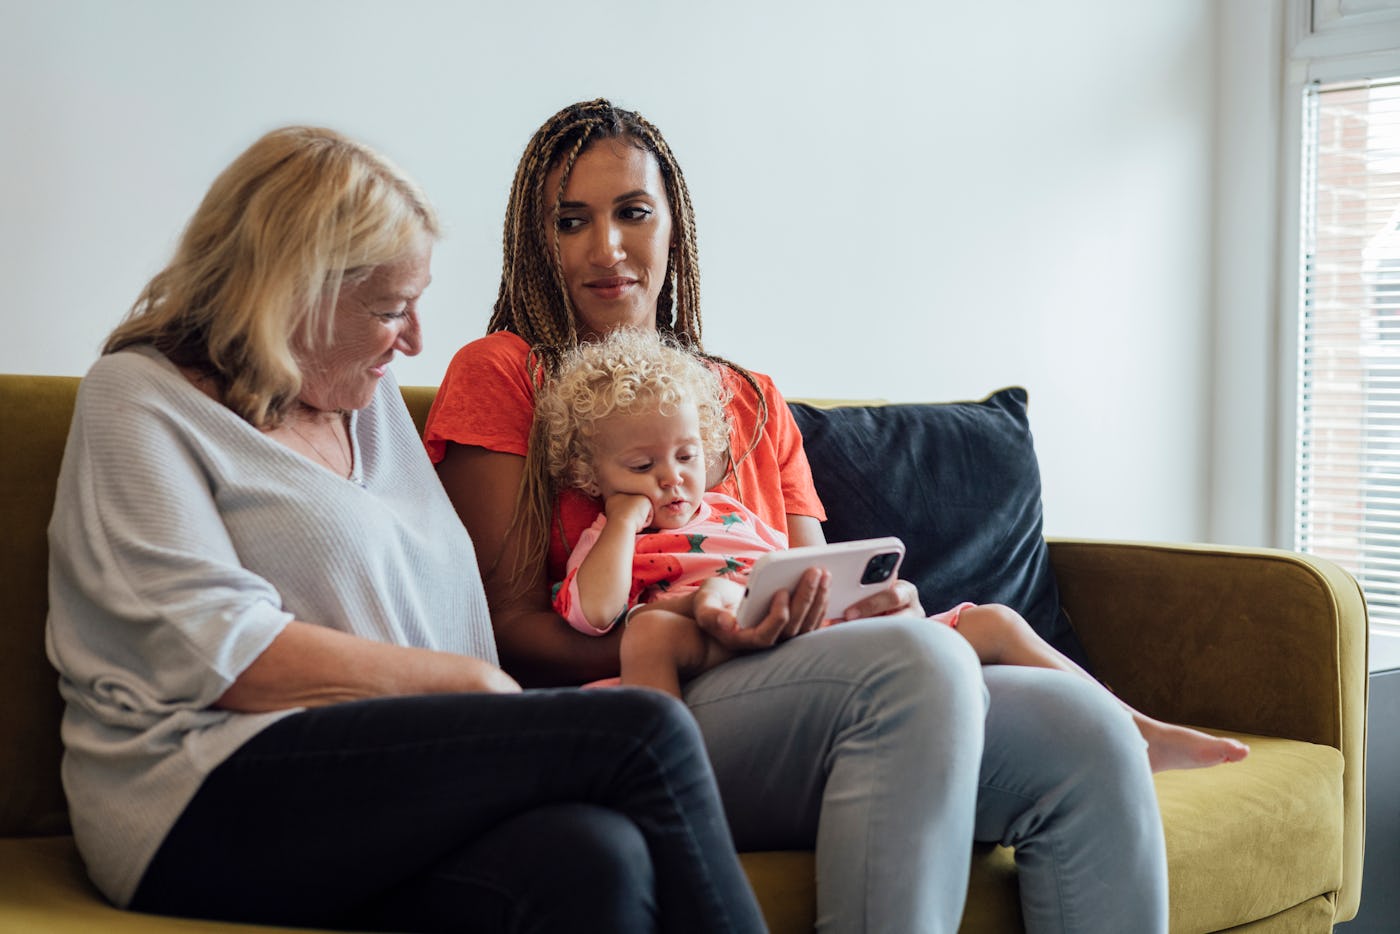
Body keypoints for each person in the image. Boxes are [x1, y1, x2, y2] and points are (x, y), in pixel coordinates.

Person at [425, 98, 1172, 933]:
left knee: (1088, 735)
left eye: (633, 212)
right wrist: (683, 628)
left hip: (800, 688)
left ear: (674, 226)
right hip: (640, 697)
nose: (607, 247)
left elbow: (811, 580)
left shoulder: (748, 398)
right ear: (538, 240)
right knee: (915, 667)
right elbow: (501, 625)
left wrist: (853, 607)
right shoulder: (503, 372)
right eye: (572, 221)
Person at [44, 125, 767, 934]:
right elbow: (213, 646)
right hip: (198, 788)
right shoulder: (139, 398)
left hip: (386, 778)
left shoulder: (367, 398)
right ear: (288, 292)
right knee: (643, 730)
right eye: (391, 309)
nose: (415, 340)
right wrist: (475, 694)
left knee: (595, 857)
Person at [537, 328, 1251, 772]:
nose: (671, 479)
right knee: (663, 626)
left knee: (996, 621)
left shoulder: (730, 510)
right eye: (640, 468)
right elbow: (594, 615)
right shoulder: (612, 540)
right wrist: (626, 522)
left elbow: (800, 572)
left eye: (686, 456)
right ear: (587, 474)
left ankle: (1137, 730)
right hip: (714, 654)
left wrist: (848, 595)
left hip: (802, 639)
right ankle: (674, 770)